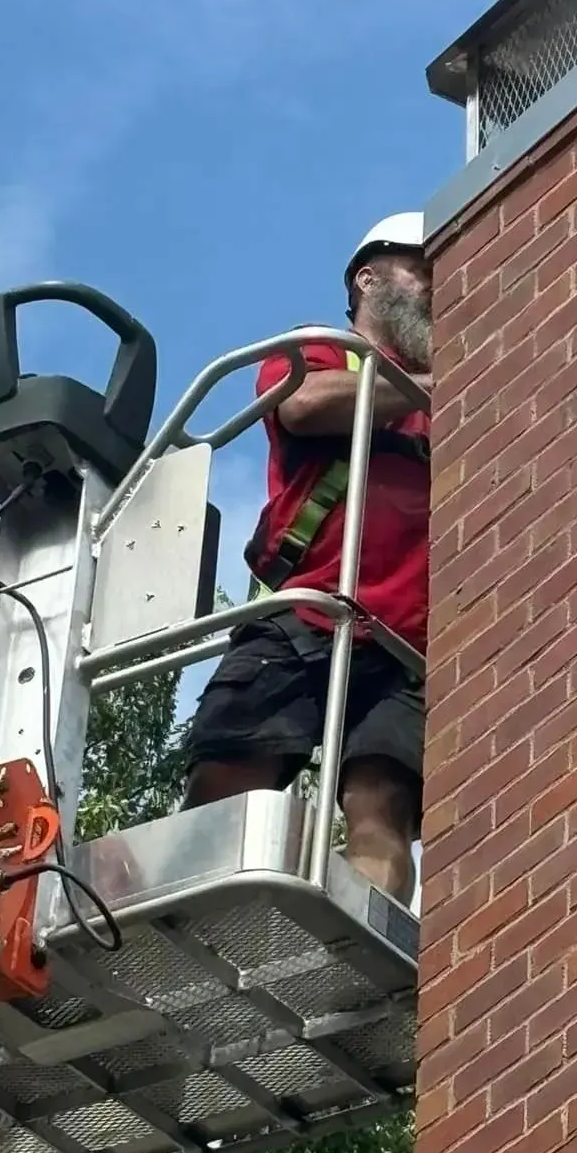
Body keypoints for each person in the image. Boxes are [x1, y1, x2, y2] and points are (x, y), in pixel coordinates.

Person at [182, 214, 432, 903]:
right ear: (368, 278)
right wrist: (431, 388)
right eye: (422, 268)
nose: (438, 287)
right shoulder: (322, 352)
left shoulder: (451, 394)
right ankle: (200, 914)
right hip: (311, 615)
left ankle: (363, 946)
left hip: (407, 644)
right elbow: (301, 405)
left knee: (381, 806)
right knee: (227, 791)